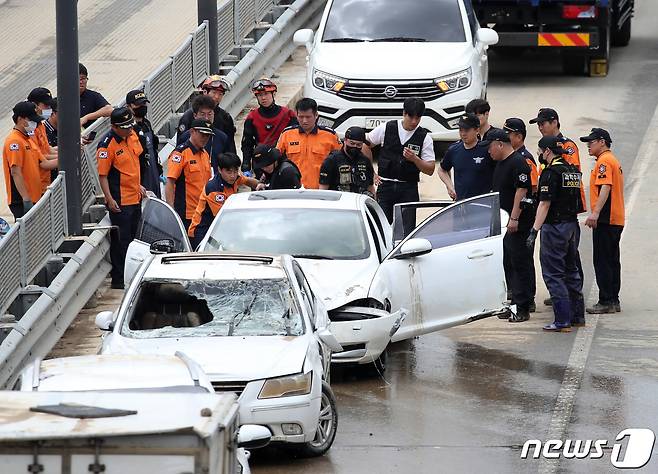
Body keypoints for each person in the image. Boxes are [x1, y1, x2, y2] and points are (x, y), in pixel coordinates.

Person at [526, 136, 585, 332]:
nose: (539, 155)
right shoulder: (573, 171)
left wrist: (534, 230)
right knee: (572, 271)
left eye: (541, 151)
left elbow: (544, 204)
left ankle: (562, 321)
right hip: (572, 227)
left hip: (555, 228)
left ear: (548, 151)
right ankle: (578, 317)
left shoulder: (551, 173)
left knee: (554, 274)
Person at [487, 129, 535, 322]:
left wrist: (514, 218)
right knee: (508, 263)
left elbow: (521, 191)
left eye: (490, 147)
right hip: (504, 222)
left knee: (519, 263)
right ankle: (514, 302)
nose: (488, 152)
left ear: (499, 144)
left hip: (517, 223)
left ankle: (522, 307)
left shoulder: (518, 163)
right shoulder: (500, 163)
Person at [96, 107, 146, 289]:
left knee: (134, 239)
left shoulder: (130, 136)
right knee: (121, 241)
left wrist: (139, 185)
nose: (129, 130)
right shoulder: (107, 145)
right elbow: (103, 176)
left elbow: (133, 164)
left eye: (129, 126)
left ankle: (133, 275)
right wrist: (109, 198)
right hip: (120, 200)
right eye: (124, 127)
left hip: (135, 197)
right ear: (114, 127)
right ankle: (119, 278)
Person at [580, 128, 625, 314]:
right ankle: (613, 299)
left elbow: (606, 186)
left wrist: (595, 213)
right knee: (612, 260)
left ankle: (606, 300)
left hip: (607, 219)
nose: (588, 146)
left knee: (603, 260)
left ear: (602, 142)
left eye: (591, 142)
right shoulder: (610, 160)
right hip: (615, 218)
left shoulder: (604, 161)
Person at [188, 152, 259, 247]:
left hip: (217, 229)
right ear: (220, 170)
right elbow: (224, 218)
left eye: (235, 171)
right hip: (202, 231)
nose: (233, 175)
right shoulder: (214, 189)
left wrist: (263, 185)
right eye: (229, 172)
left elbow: (248, 181)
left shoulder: (235, 178)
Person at [2, 102, 58, 219]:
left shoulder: (27, 140)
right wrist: (26, 199)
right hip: (22, 200)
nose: (34, 124)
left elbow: (44, 162)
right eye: (31, 120)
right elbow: (15, 172)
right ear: (20, 119)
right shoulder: (14, 142)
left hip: (35, 197)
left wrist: (70, 156)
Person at [277, 98, 341, 189]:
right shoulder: (287, 134)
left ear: (316, 115)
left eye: (308, 117)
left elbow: (341, 161)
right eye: (301, 117)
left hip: (322, 190)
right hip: (293, 190)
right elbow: (275, 160)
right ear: (296, 115)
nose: (304, 121)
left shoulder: (330, 136)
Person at [165, 119, 214, 230]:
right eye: (202, 134)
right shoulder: (180, 153)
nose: (205, 138)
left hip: (203, 211)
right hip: (186, 214)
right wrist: (171, 211)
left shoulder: (205, 154)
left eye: (208, 135)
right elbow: (170, 182)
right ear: (192, 131)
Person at [241, 78, 297, 174]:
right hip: (260, 164)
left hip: (283, 162)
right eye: (259, 95)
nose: (263, 98)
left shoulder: (288, 115)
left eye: (266, 94)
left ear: (273, 94)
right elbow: (247, 144)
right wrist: (246, 165)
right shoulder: (252, 117)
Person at [438, 113, 494, 201]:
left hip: (483, 204)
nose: (463, 134)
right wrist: (450, 187)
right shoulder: (454, 150)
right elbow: (442, 169)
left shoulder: (487, 150)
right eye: (460, 130)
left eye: (467, 130)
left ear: (477, 130)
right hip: (461, 204)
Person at [177, 75, 236, 153]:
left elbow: (230, 146)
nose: (217, 97)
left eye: (220, 94)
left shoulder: (225, 117)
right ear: (205, 92)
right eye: (214, 92)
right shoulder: (188, 117)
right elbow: (180, 144)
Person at [177, 95, 229, 175]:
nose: (206, 118)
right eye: (202, 114)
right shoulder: (185, 137)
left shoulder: (222, 137)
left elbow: (228, 163)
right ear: (195, 116)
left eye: (210, 114)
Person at [126, 90, 162, 198]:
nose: (142, 106)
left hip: (153, 169)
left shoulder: (147, 124)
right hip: (139, 172)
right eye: (138, 104)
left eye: (144, 104)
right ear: (129, 106)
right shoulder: (127, 128)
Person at [319, 126, 375, 197]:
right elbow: (323, 189)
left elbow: (370, 187)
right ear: (345, 140)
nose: (355, 147)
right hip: (339, 202)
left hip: (359, 202)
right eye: (352, 143)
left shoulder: (365, 161)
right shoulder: (332, 160)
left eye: (359, 145)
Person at [27, 87, 58, 192]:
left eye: (50, 106)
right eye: (46, 105)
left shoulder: (40, 124)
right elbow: (41, 159)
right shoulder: (28, 128)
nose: (49, 109)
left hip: (45, 183)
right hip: (34, 187)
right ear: (34, 105)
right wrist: (68, 157)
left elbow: (46, 149)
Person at [503, 118, 538, 195]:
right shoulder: (507, 156)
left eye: (507, 135)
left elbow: (533, 188)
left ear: (519, 137)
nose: (504, 138)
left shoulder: (526, 159)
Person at [79, 63, 113, 128]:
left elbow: (109, 109)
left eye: (83, 78)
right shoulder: (62, 99)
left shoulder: (93, 96)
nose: (81, 82)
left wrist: (86, 118)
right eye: (77, 79)